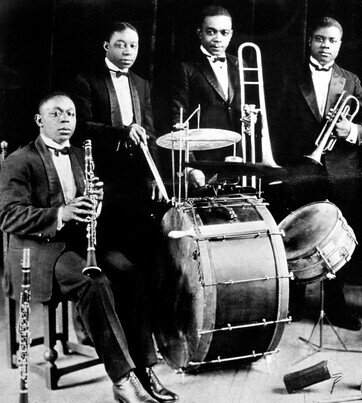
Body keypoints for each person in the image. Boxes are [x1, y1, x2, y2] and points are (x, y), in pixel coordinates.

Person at [0, 92, 178, 402]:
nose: (66, 120)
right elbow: (8, 215)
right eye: (56, 114)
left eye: (70, 114)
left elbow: (89, 207)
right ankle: (123, 380)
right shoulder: (20, 159)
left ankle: (144, 369)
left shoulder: (82, 155)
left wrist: (96, 203)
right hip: (39, 250)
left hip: (77, 244)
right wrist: (60, 214)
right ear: (39, 121)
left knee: (129, 272)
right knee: (93, 282)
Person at [70, 23, 178, 402]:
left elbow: (147, 126)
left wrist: (151, 171)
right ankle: (125, 363)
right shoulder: (87, 80)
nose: (129, 51)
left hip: (135, 189)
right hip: (99, 189)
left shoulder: (142, 84)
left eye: (133, 45)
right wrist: (122, 131)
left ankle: (146, 367)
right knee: (122, 271)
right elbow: (81, 128)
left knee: (146, 269)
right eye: (121, 44)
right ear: (107, 46)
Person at [273, 17, 362, 331]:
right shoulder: (290, 76)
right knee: (299, 235)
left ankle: (337, 305)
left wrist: (350, 129)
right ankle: (297, 300)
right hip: (301, 169)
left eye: (332, 41)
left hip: (341, 172)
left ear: (339, 45)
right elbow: (276, 124)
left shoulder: (351, 80)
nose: (325, 46)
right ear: (310, 41)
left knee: (338, 239)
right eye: (319, 39)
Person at [170, 5, 241, 162]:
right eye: (210, 32)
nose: (218, 38)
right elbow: (178, 118)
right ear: (199, 33)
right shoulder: (186, 67)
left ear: (231, 35)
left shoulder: (240, 64)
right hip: (203, 155)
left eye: (224, 33)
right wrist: (189, 164)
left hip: (236, 153)